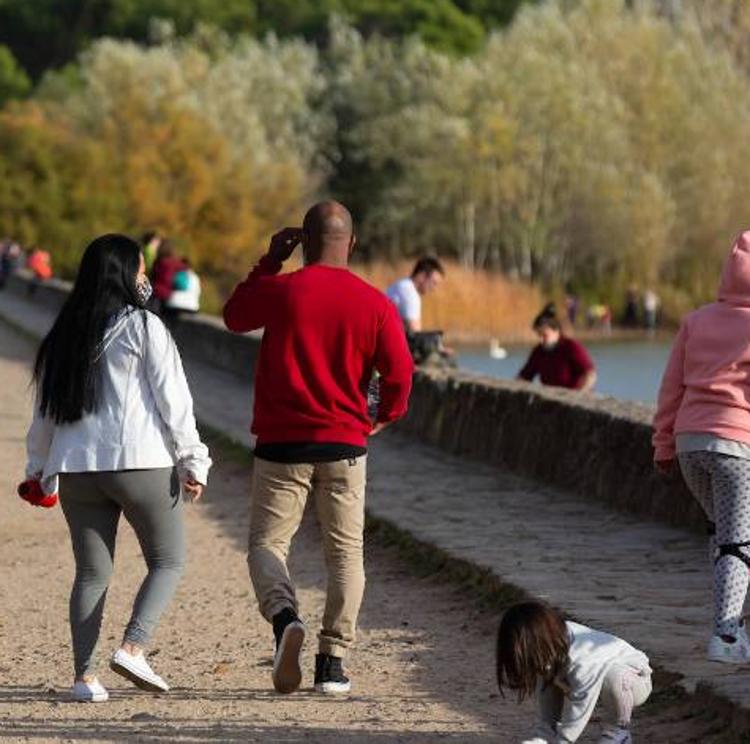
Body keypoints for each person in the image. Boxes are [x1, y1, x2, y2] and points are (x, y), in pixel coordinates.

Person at [223, 201, 413, 696]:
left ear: (301, 243)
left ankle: (285, 618)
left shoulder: (281, 289)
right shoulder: (375, 303)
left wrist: (268, 263)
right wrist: (383, 416)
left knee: (267, 545)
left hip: (281, 445)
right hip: (346, 446)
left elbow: (234, 316)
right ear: (351, 243)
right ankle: (333, 662)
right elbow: (400, 374)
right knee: (346, 554)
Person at [25, 234, 212, 703]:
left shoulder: (64, 333)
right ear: (126, 275)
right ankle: (134, 646)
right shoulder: (145, 328)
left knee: (91, 573)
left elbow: (45, 412)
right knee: (168, 561)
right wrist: (194, 459)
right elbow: (175, 402)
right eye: (140, 270)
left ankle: (85, 679)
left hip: (78, 470)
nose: (145, 279)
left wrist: (38, 467)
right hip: (141, 462)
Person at [653, 230, 750, 664]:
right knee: (737, 543)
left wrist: (662, 444)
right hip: (737, 448)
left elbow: (670, 388)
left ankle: (735, 627)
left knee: (724, 535)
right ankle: (726, 636)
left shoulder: (697, 320)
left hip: (691, 444)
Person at [497, 601, 652, 744]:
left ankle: (620, 730)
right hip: (591, 679)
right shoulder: (553, 642)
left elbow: (581, 705)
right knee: (548, 674)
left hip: (635, 681)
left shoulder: (582, 658)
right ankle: (546, 735)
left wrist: (563, 740)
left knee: (614, 677)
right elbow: (547, 690)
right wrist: (544, 735)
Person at [518, 304, 597, 391]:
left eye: (544, 335)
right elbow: (524, 377)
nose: (541, 340)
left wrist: (580, 394)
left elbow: (590, 374)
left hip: (575, 398)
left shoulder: (571, 347)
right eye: (538, 335)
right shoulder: (539, 351)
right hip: (552, 399)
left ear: (556, 331)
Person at [386, 256, 445, 333]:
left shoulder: (402, 285)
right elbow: (416, 336)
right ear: (422, 275)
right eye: (433, 283)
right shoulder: (410, 294)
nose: (433, 289)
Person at [149, 239, 185, 315]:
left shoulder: (159, 262)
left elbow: (153, 277)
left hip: (157, 293)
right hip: (170, 295)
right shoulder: (176, 263)